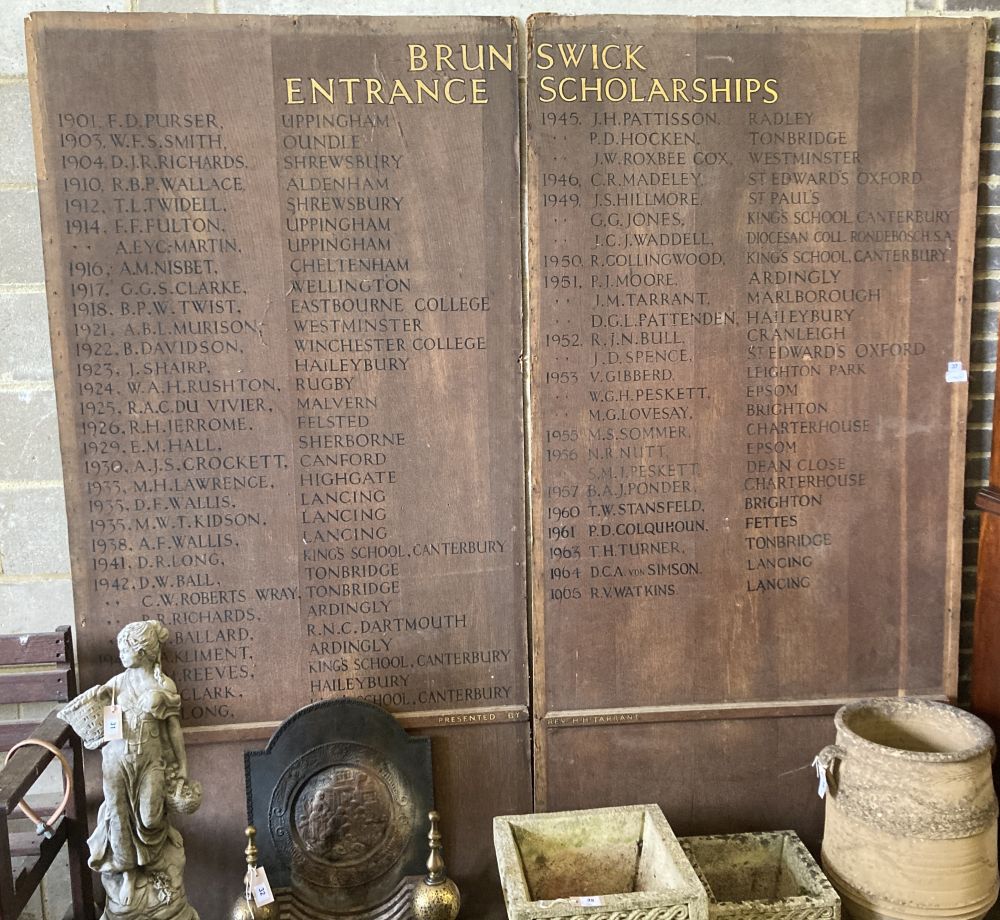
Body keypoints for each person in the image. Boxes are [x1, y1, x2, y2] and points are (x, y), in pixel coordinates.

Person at [88, 621, 190, 909]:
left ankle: (162, 838)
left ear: (144, 651)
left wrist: (182, 765)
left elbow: (173, 731)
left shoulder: (163, 685)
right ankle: (129, 875)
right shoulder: (117, 683)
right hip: (116, 761)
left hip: (150, 763)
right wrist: (98, 698)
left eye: (126, 648)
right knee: (119, 819)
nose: (120, 653)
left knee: (149, 818)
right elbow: (102, 717)